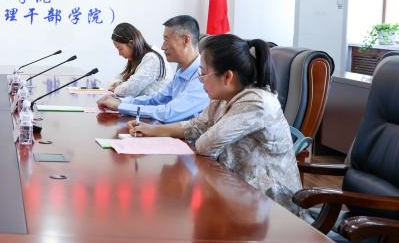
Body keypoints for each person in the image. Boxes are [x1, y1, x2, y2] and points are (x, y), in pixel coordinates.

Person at [128, 35, 302, 214]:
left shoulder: (256, 102)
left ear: (227, 76)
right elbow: (197, 126)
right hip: (235, 189)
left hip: (270, 206)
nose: (200, 79)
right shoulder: (224, 96)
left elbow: (205, 145)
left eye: (203, 73)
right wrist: (153, 130)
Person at [97, 15, 209, 122]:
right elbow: (156, 99)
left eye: (166, 40)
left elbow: (169, 113)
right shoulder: (181, 73)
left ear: (186, 40)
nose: (163, 47)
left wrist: (120, 106)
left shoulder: (202, 77)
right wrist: (120, 101)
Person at [107, 23, 168, 98]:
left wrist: (117, 87)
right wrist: (119, 85)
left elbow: (128, 91)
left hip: (156, 104)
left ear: (131, 43)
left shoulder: (152, 58)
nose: (119, 54)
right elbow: (115, 81)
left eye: (120, 48)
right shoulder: (138, 57)